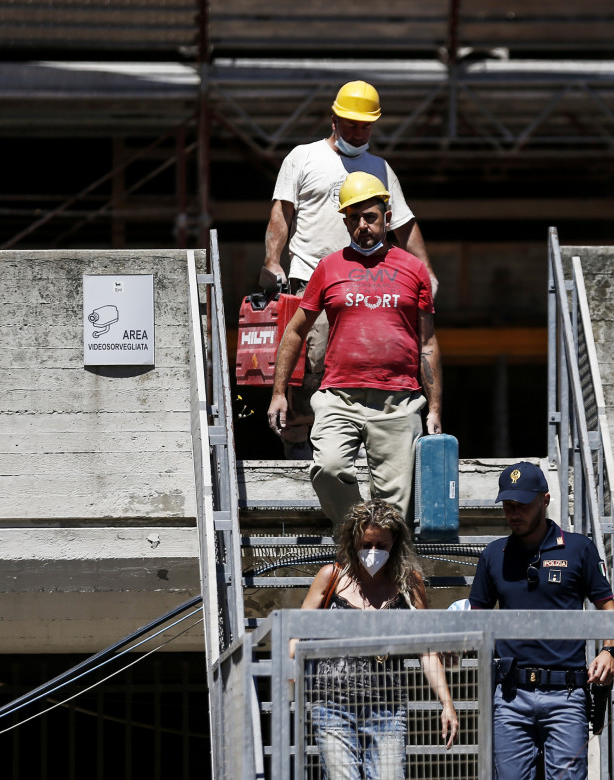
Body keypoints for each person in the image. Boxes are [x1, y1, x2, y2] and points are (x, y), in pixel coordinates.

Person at [262, 80, 438, 458]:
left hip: (368, 284)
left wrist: (426, 269)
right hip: (312, 277)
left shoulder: (380, 168)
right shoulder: (303, 157)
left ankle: (353, 450)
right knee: (312, 366)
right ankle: (301, 453)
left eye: (365, 126)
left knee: (361, 365)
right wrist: (272, 260)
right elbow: (282, 212)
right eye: (351, 124)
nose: (358, 132)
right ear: (334, 119)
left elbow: (404, 223)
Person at [267, 171, 442, 527]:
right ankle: (357, 534)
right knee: (328, 469)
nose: (362, 225)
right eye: (354, 218)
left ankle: (377, 559)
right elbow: (296, 330)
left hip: (398, 400)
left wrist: (435, 407)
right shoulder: (329, 267)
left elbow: (427, 343)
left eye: (370, 217)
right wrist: (279, 392)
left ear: (387, 218)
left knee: (394, 510)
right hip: (338, 397)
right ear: (345, 222)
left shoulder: (414, 270)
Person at [468, 462, 614, 780]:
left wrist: (609, 651)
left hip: (567, 694)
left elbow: (607, 606)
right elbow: (476, 618)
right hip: (510, 695)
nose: (514, 513)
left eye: (522, 505)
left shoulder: (579, 548)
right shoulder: (493, 555)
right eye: (508, 505)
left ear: (545, 500)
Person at [296, 500, 459, 779]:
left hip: (387, 708)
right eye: (366, 544)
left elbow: (427, 650)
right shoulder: (332, 577)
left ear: (394, 542)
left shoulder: (409, 583)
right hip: (333, 707)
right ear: (352, 540)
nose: (372, 553)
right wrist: (289, 679)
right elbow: (295, 634)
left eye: (381, 546)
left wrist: (447, 703)